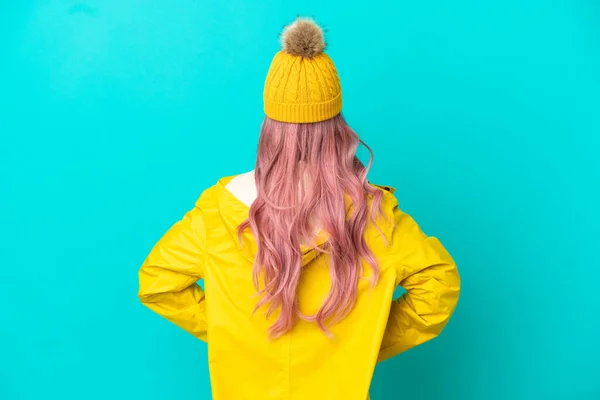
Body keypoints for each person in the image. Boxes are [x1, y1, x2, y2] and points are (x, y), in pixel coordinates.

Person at [138, 16, 460, 400]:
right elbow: (438, 290)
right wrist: (358, 342)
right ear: (337, 126)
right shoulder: (375, 216)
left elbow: (157, 282)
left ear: (269, 126)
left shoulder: (217, 212)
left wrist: (235, 334)